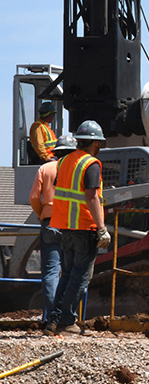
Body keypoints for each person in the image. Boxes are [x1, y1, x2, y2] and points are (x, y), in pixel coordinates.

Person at [45, 120, 111, 336]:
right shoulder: (91, 164)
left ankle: (53, 321)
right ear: (95, 143)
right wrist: (101, 228)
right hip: (84, 227)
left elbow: (61, 192)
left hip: (64, 227)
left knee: (66, 275)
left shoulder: (63, 162)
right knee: (80, 277)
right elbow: (91, 196)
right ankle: (67, 322)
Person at [29, 134, 77, 324]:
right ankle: (67, 318)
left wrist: (43, 213)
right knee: (71, 272)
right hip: (71, 223)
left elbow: (34, 196)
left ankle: (52, 317)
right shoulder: (76, 169)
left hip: (50, 221)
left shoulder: (45, 168)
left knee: (50, 273)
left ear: (56, 152)